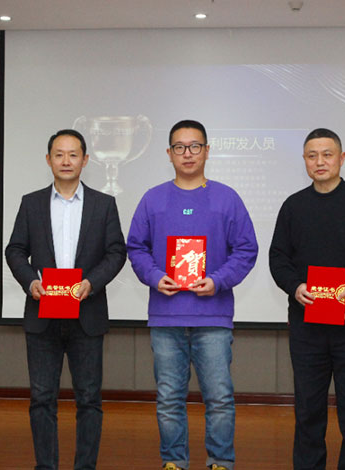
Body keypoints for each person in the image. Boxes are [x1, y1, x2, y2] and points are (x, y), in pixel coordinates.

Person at [126, 120, 258, 470]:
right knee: (169, 399)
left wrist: (218, 281)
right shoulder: (153, 199)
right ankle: (174, 462)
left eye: (195, 146)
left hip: (213, 317)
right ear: (169, 153)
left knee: (220, 398)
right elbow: (135, 247)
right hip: (166, 317)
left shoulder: (227, 198)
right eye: (180, 147)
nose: (188, 153)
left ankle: (220, 462)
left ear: (207, 151)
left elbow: (246, 249)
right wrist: (155, 277)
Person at [5, 129, 127, 470]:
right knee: (42, 399)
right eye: (59, 154)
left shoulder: (104, 204)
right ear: (48, 160)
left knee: (89, 399)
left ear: (85, 160)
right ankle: (46, 466)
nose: (66, 161)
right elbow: (15, 250)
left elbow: (116, 252)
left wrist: (92, 282)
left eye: (73, 154)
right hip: (42, 315)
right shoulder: (31, 203)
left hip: (87, 315)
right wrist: (31, 282)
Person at [269, 128, 345, 470]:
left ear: (342, 158)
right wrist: (295, 287)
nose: (319, 161)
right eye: (312, 155)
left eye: (327, 154)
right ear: (304, 160)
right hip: (307, 324)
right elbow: (278, 258)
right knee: (308, 409)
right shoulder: (293, 206)